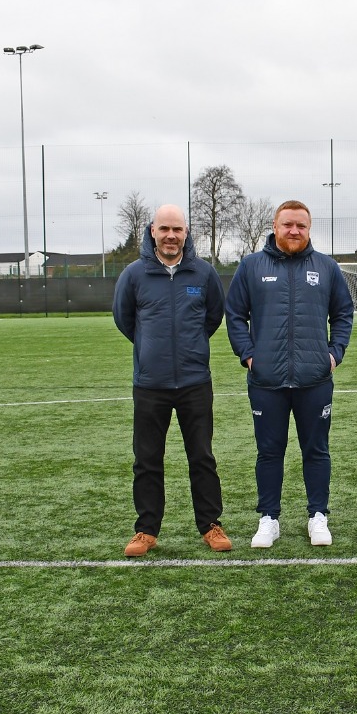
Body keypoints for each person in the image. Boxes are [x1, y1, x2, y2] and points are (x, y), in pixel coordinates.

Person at [225, 200, 354, 548]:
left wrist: (334, 353)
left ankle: (318, 516)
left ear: (309, 229)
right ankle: (269, 518)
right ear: (275, 226)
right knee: (269, 452)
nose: (294, 231)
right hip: (266, 381)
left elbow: (343, 313)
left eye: (301, 225)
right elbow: (234, 314)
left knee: (317, 450)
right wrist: (248, 355)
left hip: (315, 380)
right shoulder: (251, 266)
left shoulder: (326, 267)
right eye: (288, 224)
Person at [113, 204, 231, 556]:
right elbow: (124, 319)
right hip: (150, 384)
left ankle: (210, 525)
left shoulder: (204, 274)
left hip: (195, 382)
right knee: (147, 459)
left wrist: (190, 348)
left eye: (177, 230)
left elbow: (213, 317)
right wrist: (151, 347)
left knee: (202, 457)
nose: (170, 236)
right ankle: (146, 530)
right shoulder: (134, 275)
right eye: (164, 229)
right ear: (152, 231)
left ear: (186, 233)